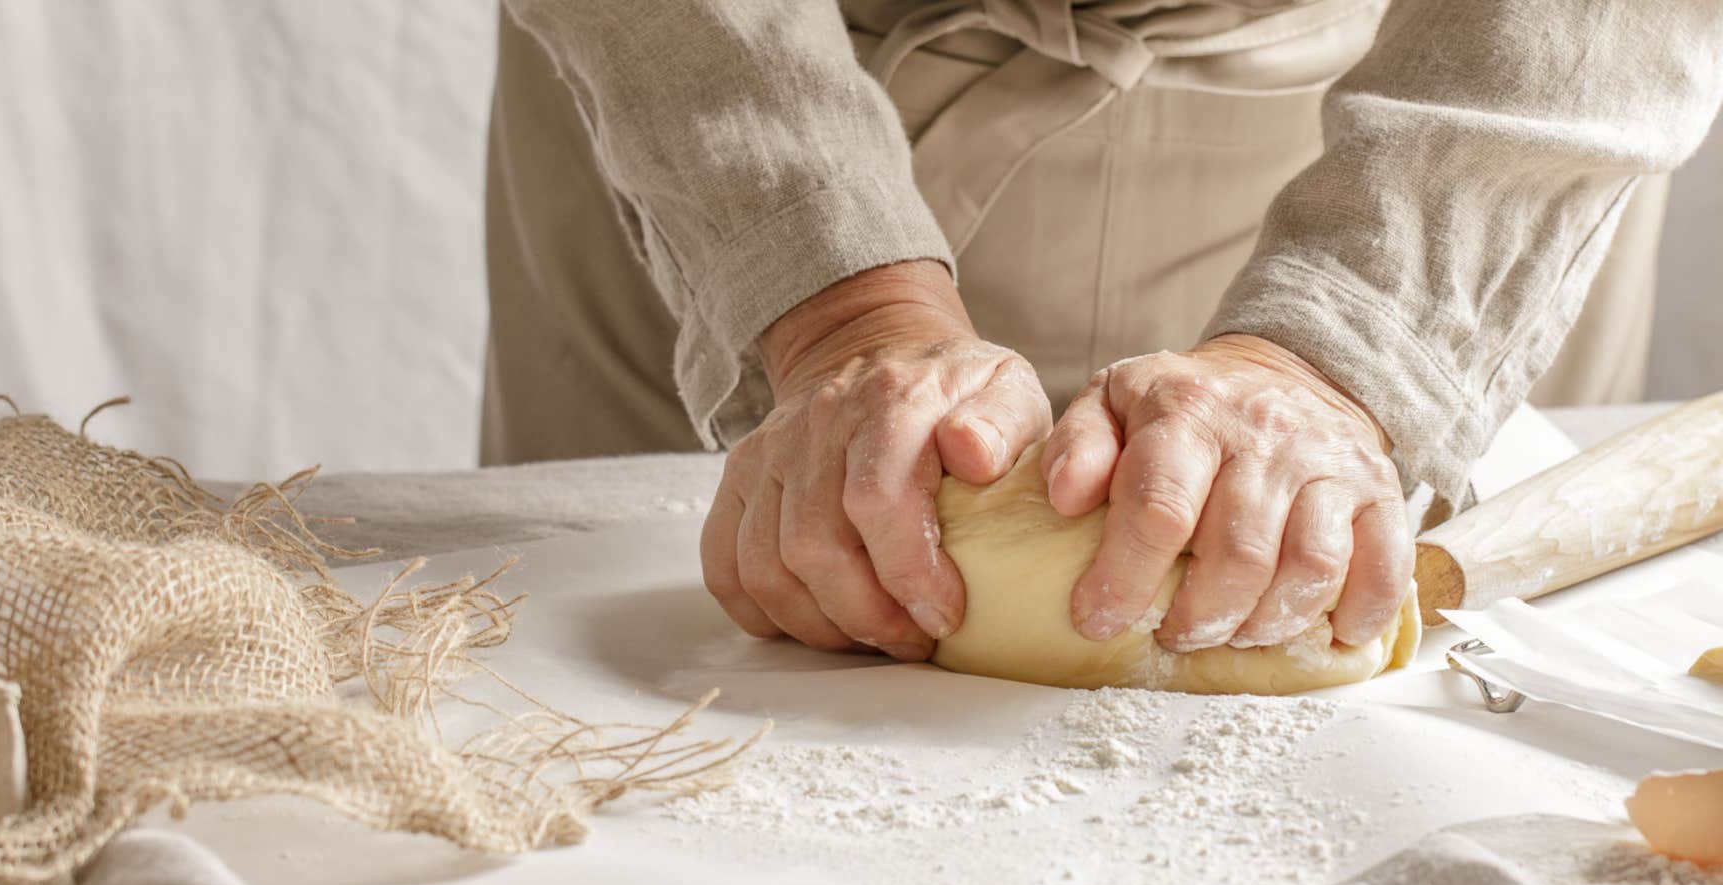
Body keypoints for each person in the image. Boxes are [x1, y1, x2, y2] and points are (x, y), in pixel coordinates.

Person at [481, 0, 1723, 662]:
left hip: (1426, 129)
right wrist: (836, 305)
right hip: (719, 103)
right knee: (633, 697)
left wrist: (1344, 353)